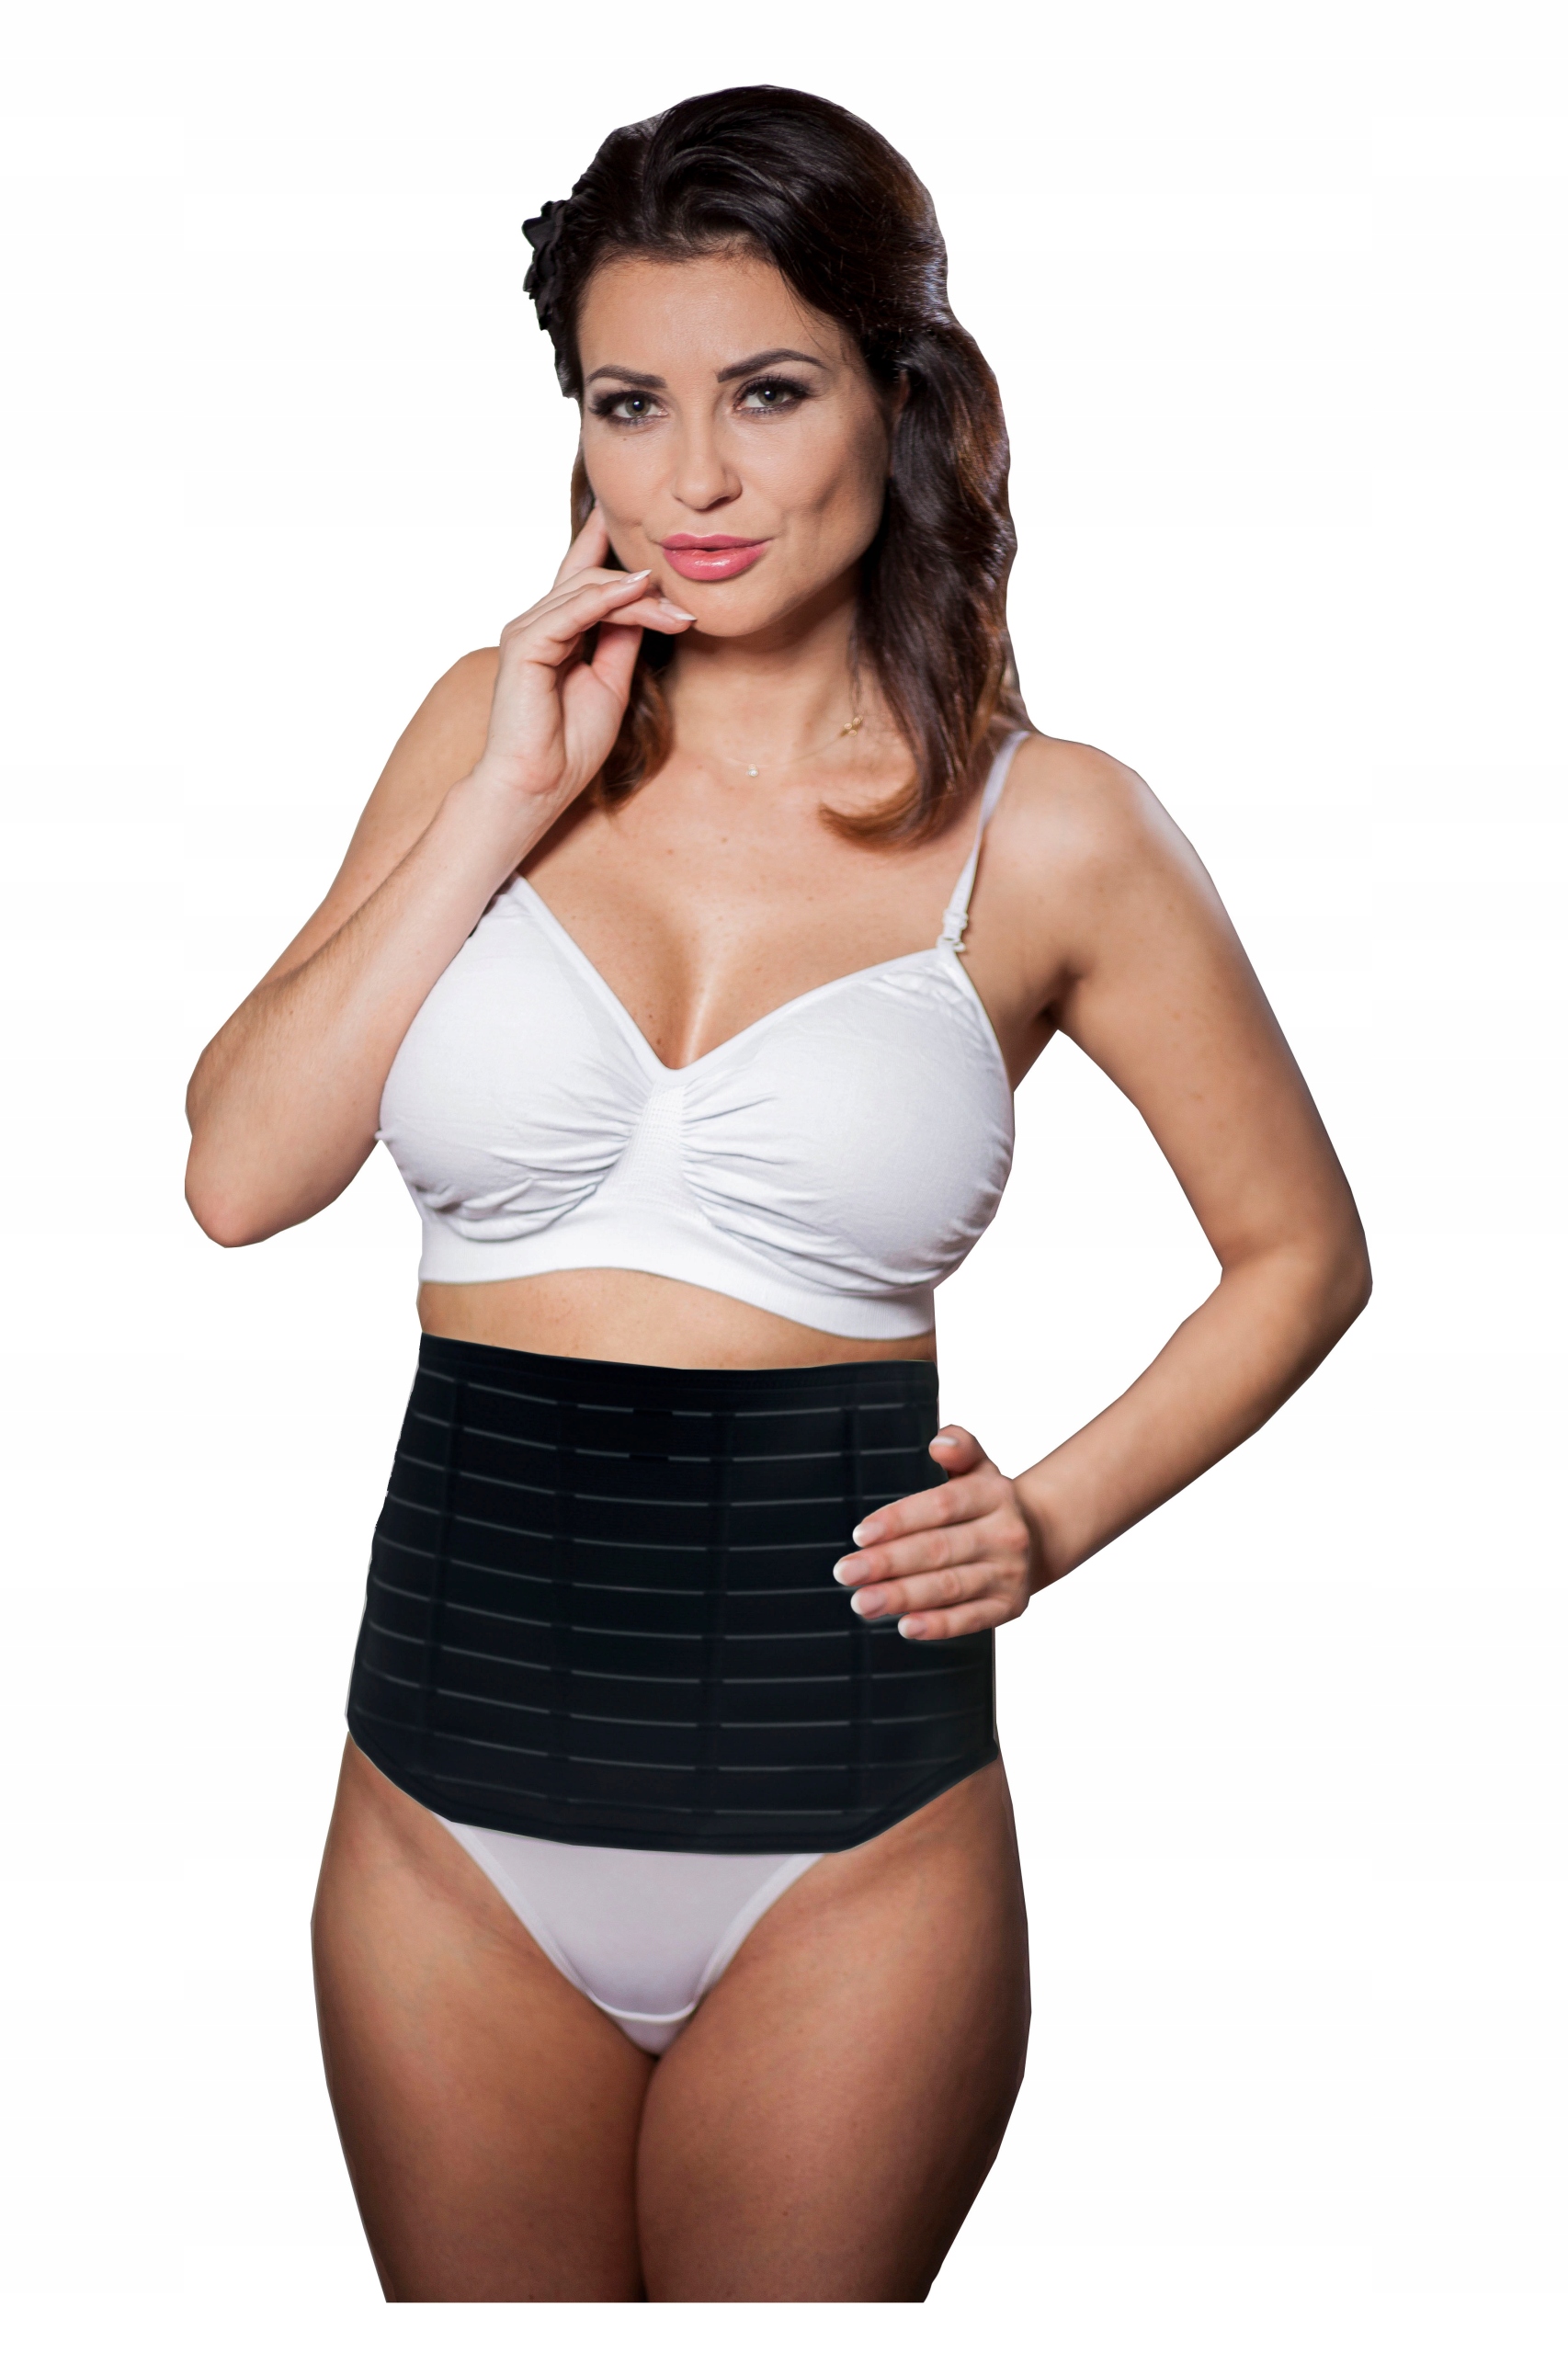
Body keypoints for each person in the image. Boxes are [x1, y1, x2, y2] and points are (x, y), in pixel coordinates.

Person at [183, 85, 1371, 2303]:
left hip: (851, 1835)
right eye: (627, 404)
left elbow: (1300, 1250)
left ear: (897, 400)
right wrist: (504, 790)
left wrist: (1053, 1516)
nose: (691, 481)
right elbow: (241, 1175)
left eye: (767, 392)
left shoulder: (1054, 829)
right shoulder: (480, 729)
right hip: (445, 1807)